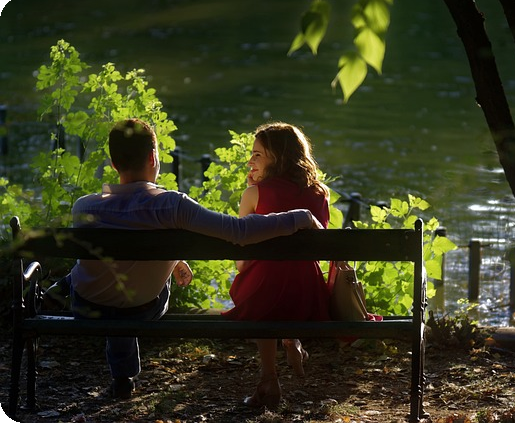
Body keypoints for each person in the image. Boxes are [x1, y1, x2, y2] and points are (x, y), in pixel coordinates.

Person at [46, 118, 323, 400]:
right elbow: (239, 231)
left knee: (107, 279)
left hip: (88, 306)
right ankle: (115, 360)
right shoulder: (172, 205)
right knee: (127, 294)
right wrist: (299, 217)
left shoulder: (84, 206)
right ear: (153, 158)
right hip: (144, 306)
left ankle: (60, 292)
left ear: (114, 163)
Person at [222, 121, 331, 409]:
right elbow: (318, 250)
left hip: (265, 295)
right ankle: (291, 339)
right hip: (307, 294)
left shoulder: (253, 194)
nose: (250, 161)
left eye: (257, 154)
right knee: (286, 275)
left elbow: (242, 264)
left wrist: (253, 193)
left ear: (278, 157)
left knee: (261, 283)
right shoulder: (320, 193)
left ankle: (269, 379)